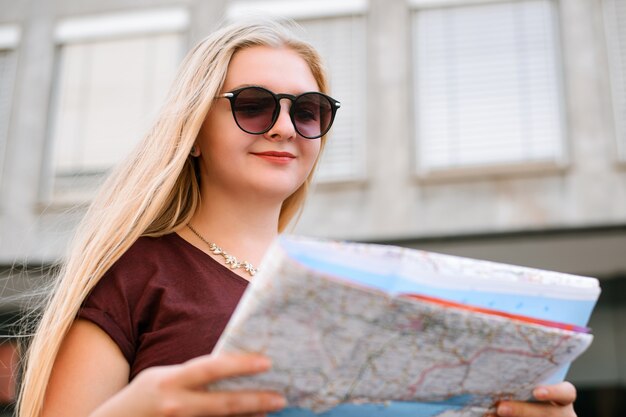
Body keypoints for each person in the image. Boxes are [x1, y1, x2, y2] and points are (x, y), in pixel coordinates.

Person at [17, 19, 578, 417]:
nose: (284, 127)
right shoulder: (136, 274)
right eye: (254, 105)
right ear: (192, 132)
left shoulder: (344, 285)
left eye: (307, 111)